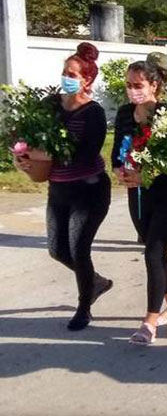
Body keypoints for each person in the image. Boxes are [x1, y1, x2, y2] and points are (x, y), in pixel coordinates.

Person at [13, 42, 112, 331]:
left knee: (79, 248)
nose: (66, 77)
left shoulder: (92, 113)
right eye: (64, 71)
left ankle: (84, 307)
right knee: (57, 250)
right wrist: (22, 156)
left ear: (86, 80)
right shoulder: (50, 105)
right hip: (58, 190)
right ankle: (95, 283)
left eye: (72, 73)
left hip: (89, 191)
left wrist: (47, 154)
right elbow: (25, 131)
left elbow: (87, 152)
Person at [112, 61, 167, 345]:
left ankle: (150, 322)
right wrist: (120, 169)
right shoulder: (123, 114)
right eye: (129, 85)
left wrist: (145, 173)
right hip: (138, 196)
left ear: (154, 86)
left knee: (153, 253)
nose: (132, 91)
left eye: (138, 85)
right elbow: (117, 153)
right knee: (156, 250)